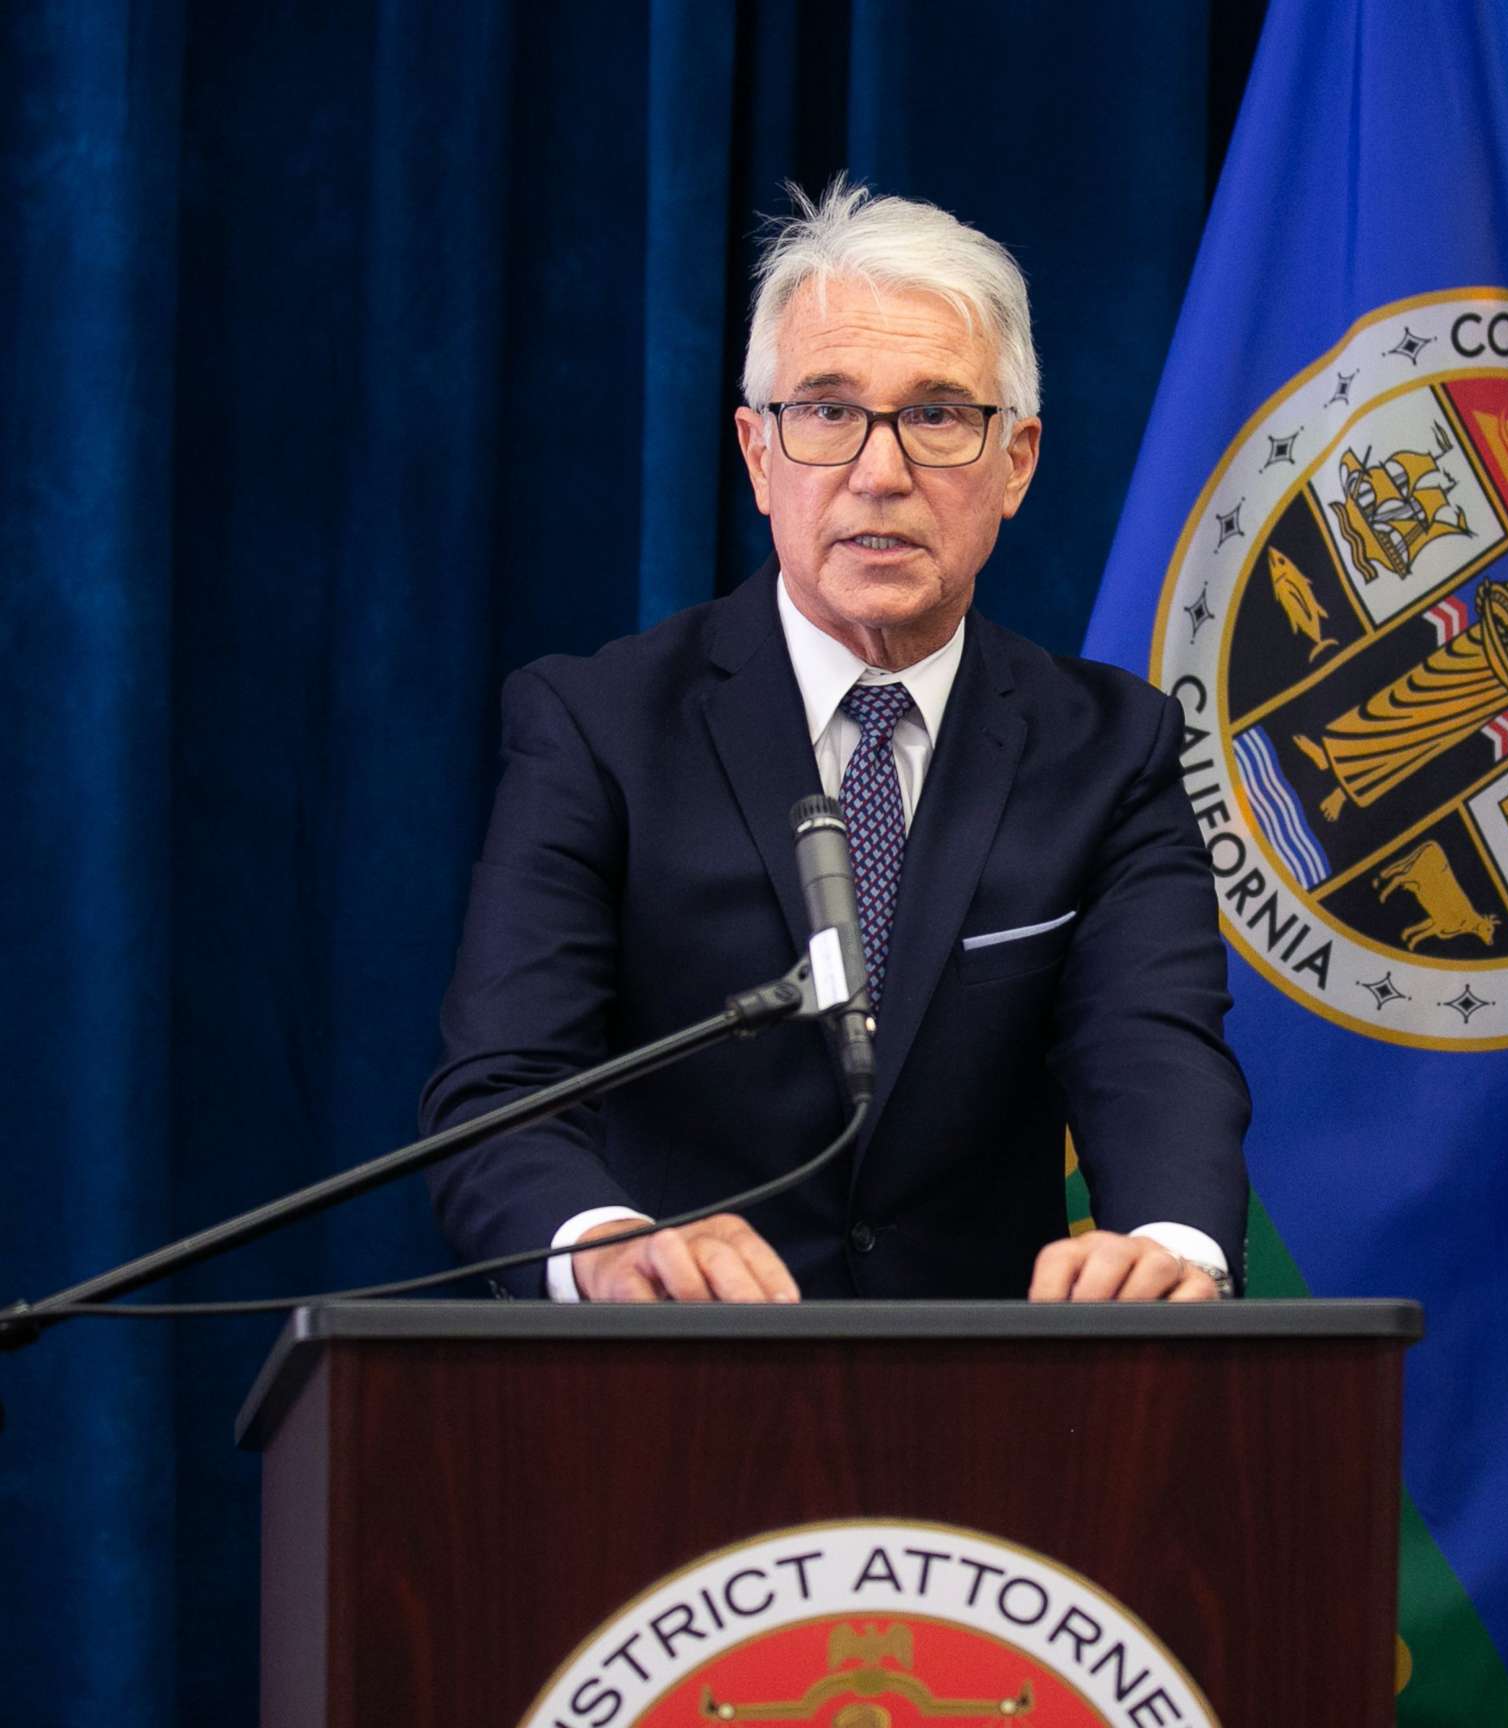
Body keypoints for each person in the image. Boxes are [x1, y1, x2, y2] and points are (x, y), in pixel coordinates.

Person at [423, 178, 1249, 1306]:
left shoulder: (1112, 751)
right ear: (759, 455)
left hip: (987, 1411)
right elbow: (502, 1091)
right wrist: (607, 1246)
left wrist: (1172, 1250)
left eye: (939, 415)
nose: (880, 471)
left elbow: (1153, 1051)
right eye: (826, 410)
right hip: (665, 1398)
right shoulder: (598, 728)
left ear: (1017, 462)